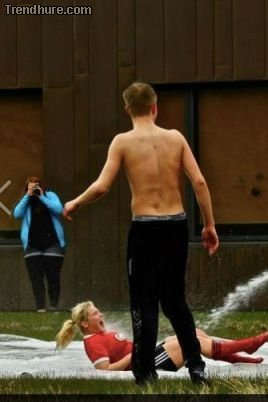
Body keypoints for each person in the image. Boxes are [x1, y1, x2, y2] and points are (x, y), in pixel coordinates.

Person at [62, 82, 220, 385]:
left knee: (144, 304)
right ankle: (196, 367)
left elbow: (102, 186)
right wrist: (209, 225)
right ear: (154, 107)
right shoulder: (176, 138)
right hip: (175, 226)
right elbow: (199, 182)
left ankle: (145, 372)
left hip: (145, 229)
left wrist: (75, 202)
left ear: (127, 110)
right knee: (175, 301)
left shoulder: (122, 142)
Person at [55, 301, 268, 372]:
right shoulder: (92, 343)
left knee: (193, 333)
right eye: (95, 314)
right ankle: (247, 345)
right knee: (191, 342)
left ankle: (241, 356)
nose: (101, 315)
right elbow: (105, 371)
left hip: (148, 354)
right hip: (146, 363)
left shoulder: (102, 334)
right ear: (85, 323)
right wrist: (135, 354)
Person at [12, 176, 66, 312]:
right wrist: (27, 196)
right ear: (26, 189)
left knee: (53, 276)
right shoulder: (26, 201)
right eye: (31, 187)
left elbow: (59, 209)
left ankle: (53, 307)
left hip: (52, 242)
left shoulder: (50, 195)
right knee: (36, 278)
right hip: (32, 244)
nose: (34, 189)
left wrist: (41, 196)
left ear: (41, 186)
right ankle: (40, 308)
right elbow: (17, 214)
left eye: (36, 186)